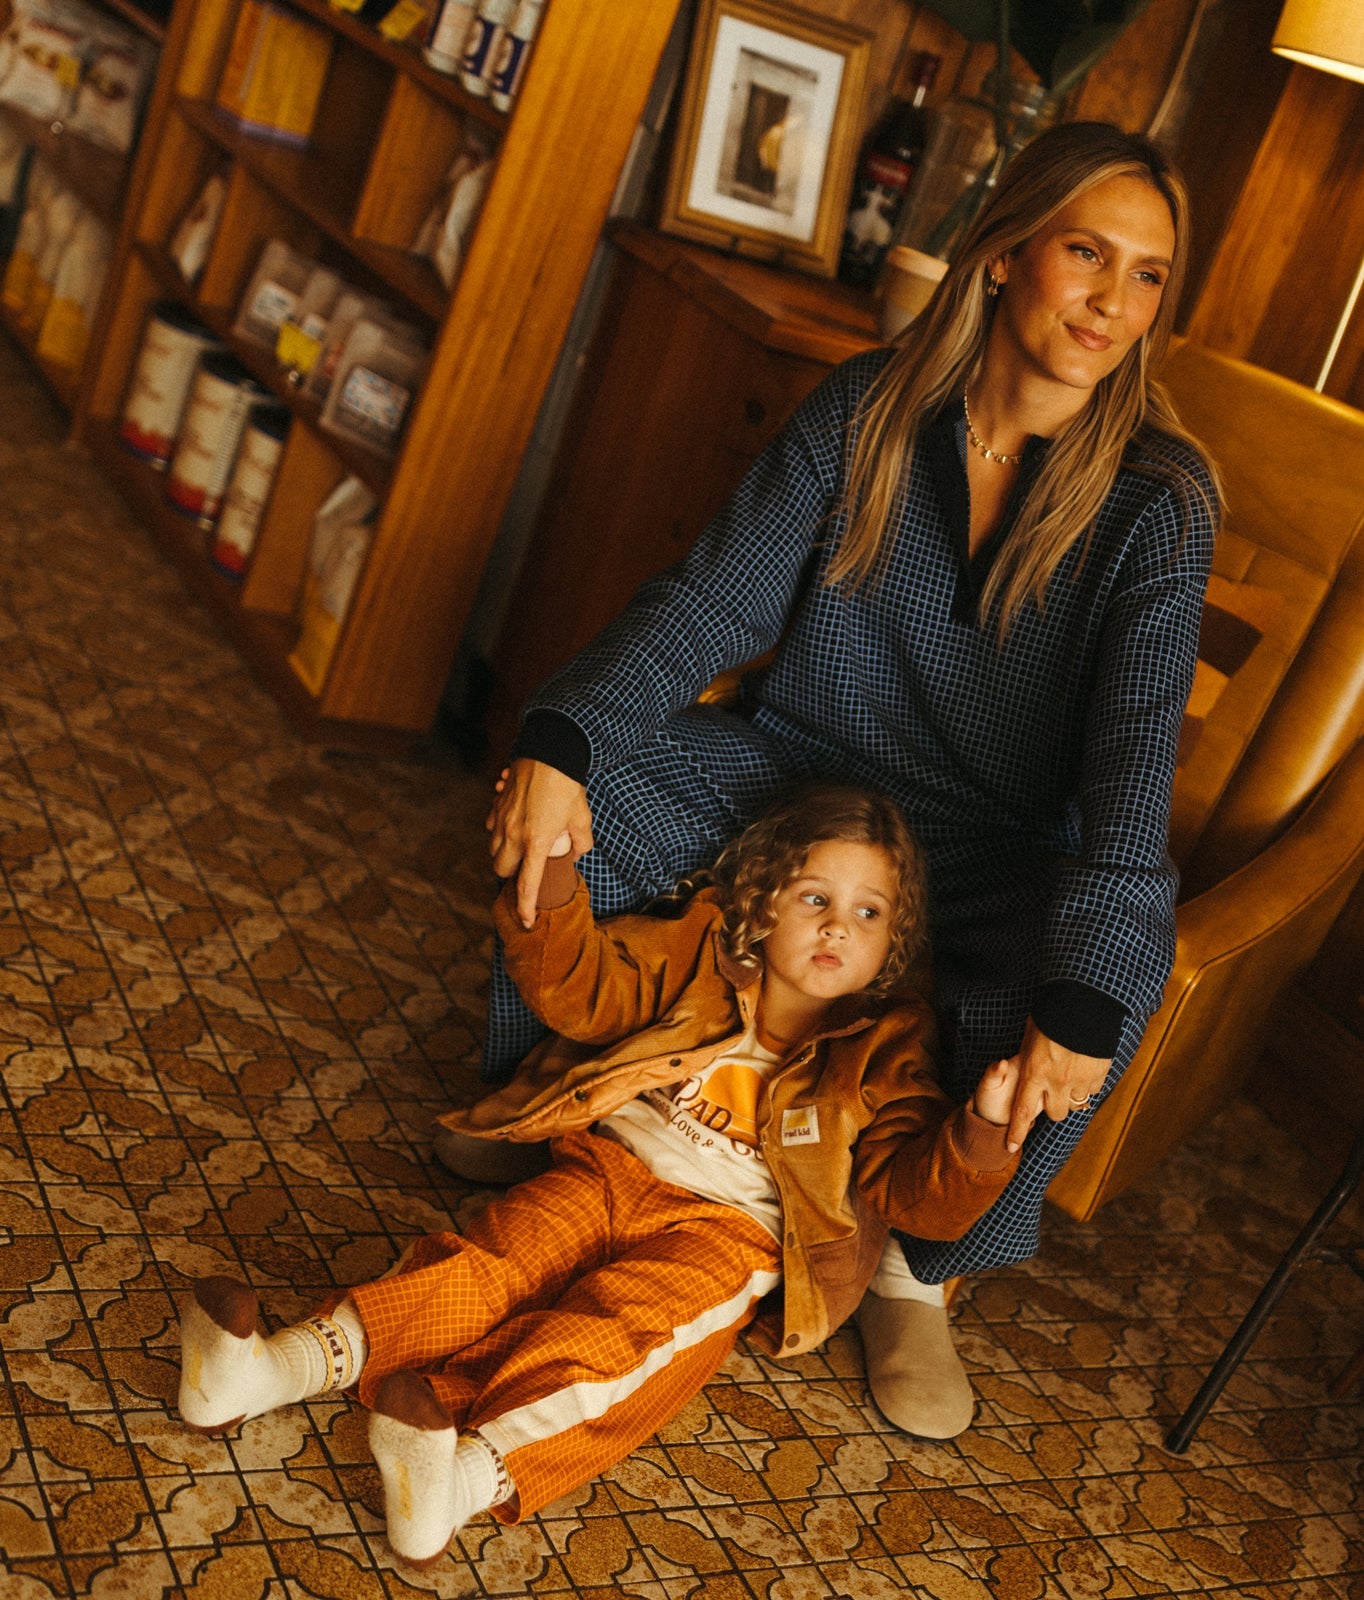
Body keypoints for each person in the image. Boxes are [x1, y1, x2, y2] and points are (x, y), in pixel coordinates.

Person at [465, 121, 1219, 1437]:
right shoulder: (867, 408)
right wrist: (562, 738)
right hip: (797, 769)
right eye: (1087, 255)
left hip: (990, 842)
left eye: (1148, 276)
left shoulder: (1159, 501)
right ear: (1001, 257)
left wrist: (1090, 1003)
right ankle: (562, 1095)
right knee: (609, 789)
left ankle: (914, 1273)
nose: (1114, 303)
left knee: (1111, 966)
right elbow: (707, 608)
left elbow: (1128, 792)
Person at [177, 786, 1023, 1567]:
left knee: (612, 1337)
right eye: (815, 899)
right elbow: (589, 991)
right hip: (608, 1167)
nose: (838, 927)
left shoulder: (889, 1045)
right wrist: (549, 883)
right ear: (762, 904)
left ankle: (461, 1478)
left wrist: (983, 1132)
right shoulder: (704, 948)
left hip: (728, 1235)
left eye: (867, 913)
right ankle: (267, 1369)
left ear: (892, 943)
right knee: (486, 1262)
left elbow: (915, 1196)